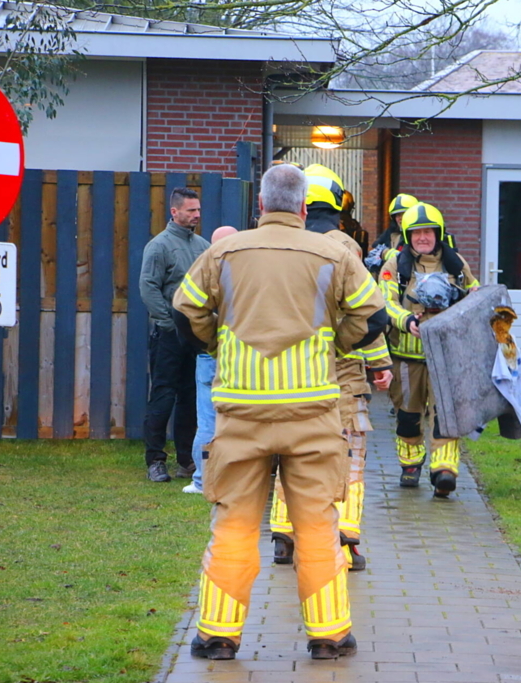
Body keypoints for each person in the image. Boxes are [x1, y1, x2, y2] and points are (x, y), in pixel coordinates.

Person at [172, 163, 387, 661]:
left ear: (262, 206)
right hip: (311, 414)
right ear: (304, 208)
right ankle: (330, 636)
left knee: (235, 525)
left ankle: (217, 636)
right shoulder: (335, 253)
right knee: (316, 524)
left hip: (241, 415)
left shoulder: (223, 251)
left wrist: (219, 341)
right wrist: (336, 339)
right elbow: (372, 317)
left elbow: (186, 314)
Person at [269, 164, 394, 571]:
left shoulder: (280, 244)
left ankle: (284, 535)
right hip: (340, 374)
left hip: (289, 374)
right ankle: (346, 537)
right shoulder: (345, 247)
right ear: (339, 204)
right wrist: (379, 364)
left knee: (290, 453)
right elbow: (366, 310)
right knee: (347, 455)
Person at [379, 203, 479, 497]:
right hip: (407, 357)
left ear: (438, 234)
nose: (423, 237)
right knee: (408, 416)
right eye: (417, 232)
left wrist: (473, 296)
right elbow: (384, 302)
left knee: (445, 415)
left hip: (446, 357)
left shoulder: (456, 264)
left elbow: (476, 295)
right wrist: (406, 320)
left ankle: (444, 471)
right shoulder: (395, 266)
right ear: (408, 236)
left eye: (428, 232)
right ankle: (410, 465)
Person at [139, 187, 209, 483]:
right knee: (163, 396)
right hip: (169, 336)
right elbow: (148, 287)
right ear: (174, 211)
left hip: (195, 334)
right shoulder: (159, 246)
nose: (196, 215)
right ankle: (155, 460)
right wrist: (168, 324)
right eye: (191, 210)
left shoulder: (203, 246)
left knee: (191, 399)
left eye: (198, 210)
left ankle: (186, 460)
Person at [183, 225, 238, 495]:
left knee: (207, 421)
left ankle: (202, 481)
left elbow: (185, 310)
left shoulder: (205, 270)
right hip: (239, 355)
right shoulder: (246, 272)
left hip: (209, 354)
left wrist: (206, 341)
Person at [364, 194, 417, 276]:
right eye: (398, 215)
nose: (400, 218)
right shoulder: (391, 235)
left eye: (404, 213)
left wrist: (388, 253)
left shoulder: (421, 237)